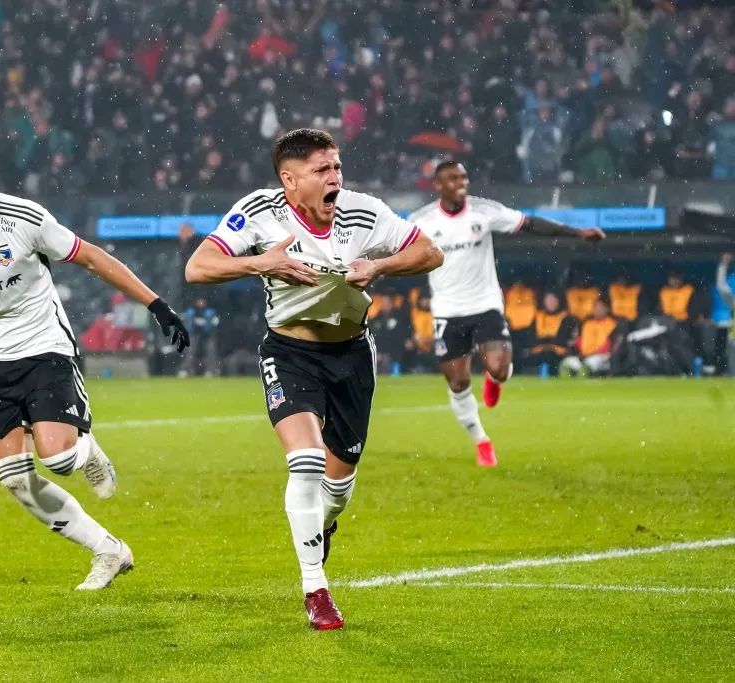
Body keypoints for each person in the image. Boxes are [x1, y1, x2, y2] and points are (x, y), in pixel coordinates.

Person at [0, 140, 190, 591]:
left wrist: (155, 304)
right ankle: (109, 550)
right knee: (15, 478)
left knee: (60, 457)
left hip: (42, 346)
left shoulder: (21, 218)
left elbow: (90, 256)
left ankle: (86, 451)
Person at [185, 129, 443, 630]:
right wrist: (262, 261)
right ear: (290, 179)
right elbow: (199, 267)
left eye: (337, 167)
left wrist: (382, 265)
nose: (335, 179)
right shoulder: (259, 211)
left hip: (351, 357)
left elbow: (431, 252)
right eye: (323, 170)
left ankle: (321, 528)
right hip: (289, 353)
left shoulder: (363, 211)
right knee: (304, 462)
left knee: (337, 490)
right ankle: (316, 590)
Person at [408, 161, 604, 467]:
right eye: (453, 178)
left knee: (499, 368)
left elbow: (530, 223)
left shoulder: (484, 212)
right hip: (447, 311)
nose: (461, 183)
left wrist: (576, 233)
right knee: (458, 383)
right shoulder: (421, 221)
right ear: (438, 186)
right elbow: (393, 247)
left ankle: (493, 378)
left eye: (464, 176)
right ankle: (482, 441)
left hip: (484, 304)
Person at [561, 299, 619, 376]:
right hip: (583, 356)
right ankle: (567, 385)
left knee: (589, 364)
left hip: (602, 357)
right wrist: (575, 343)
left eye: (600, 308)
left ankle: (582, 380)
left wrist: (597, 353)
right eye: (596, 308)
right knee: (566, 363)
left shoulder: (612, 324)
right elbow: (580, 341)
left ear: (606, 309)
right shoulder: (587, 324)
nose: (598, 310)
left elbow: (612, 343)